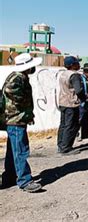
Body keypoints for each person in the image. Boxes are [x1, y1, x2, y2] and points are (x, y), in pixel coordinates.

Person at [1, 53, 43, 192]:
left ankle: (9, 177)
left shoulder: (18, 76)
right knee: (20, 151)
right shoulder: (18, 77)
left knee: (13, 151)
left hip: (15, 120)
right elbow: (9, 90)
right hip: (16, 120)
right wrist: (23, 103)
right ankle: (24, 181)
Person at [58, 56, 86, 155]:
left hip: (62, 102)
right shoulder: (74, 75)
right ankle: (66, 148)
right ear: (72, 65)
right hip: (71, 103)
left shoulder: (63, 74)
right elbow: (78, 90)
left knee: (63, 125)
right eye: (77, 63)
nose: (79, 65)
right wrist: (84, 98)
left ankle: (61, 145)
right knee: (71, 126)